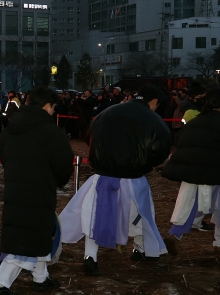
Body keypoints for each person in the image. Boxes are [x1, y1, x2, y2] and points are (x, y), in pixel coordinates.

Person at [59, 85, 173, 275]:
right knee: (141, 215)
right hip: (134, 179)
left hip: (102, 177)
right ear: (154, 102)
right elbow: (160, 148)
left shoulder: (107, 113)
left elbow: (90, 137)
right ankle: (140, 249)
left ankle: (90, 256)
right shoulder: (154, 120)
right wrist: (145, 164)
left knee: (95, 217)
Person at [0, 87, 73, 295]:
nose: (54, 112)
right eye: (53, 108)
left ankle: (40, 278)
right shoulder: (50, 131)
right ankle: (0, 284)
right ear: (46, 106)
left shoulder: (11, 128)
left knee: (38, 232)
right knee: (26, 239)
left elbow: (5, 158)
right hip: (39, 189)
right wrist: (57, 180)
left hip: (16, 188)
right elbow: (63, 164)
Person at [162, 87, 220, 248]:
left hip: (192, 173)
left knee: (189, 204)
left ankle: (176, 234)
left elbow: (181, 144)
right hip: (219, 174)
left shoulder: (193, 122)